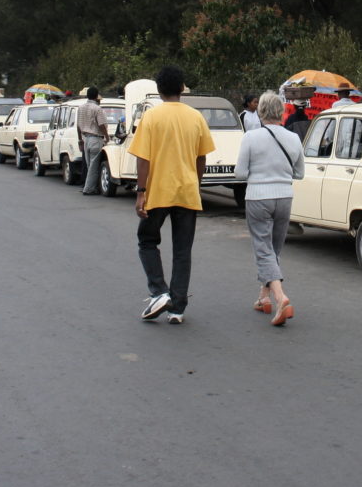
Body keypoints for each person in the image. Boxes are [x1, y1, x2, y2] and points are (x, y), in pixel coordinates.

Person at [130, 66, 215, 325]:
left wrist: (141, 192)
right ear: (181, 88)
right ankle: (177, 308)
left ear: (159, 90)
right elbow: (201, 157)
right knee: (182, 250)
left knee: (147, 240)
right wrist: (195, 184)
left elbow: (143, 158)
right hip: (187, 192)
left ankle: (159, 292)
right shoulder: (196, 117)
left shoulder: (151, 117)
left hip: (158, 191)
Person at [236, 91, 304, 326]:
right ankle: (263, 297)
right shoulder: (294, 138)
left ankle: (280, 298)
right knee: (273, 250)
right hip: (284, 197)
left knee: (263, 249)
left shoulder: (251, 137)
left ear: (261, 111)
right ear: (282, 112)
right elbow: (299, 173)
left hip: (258, 197)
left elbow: (240, 173)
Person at [78, 87, 109, 195]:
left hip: (85, 139)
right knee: (93, 166)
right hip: (96, 138)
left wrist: (80, 140)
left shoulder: (80, 108)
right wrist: (107, 137)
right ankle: (88, 189)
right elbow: (101, 125)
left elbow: (78, 126)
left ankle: (92, 187)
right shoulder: (97, 109)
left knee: (89, 165)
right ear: (96, 96)